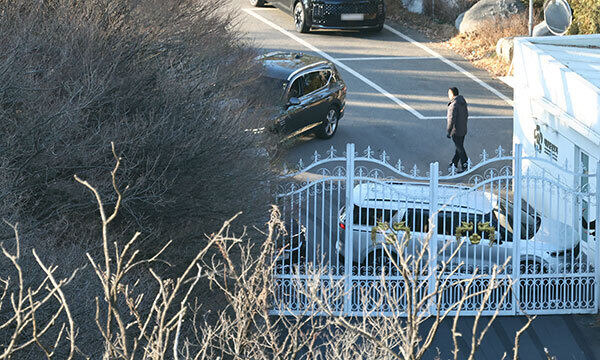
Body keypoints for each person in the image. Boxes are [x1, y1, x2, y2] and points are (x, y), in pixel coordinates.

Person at [446, 87, 469, 171]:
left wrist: (449, 131)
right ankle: (454, 162)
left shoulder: (453, 105)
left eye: (449, 93)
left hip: (456, 130)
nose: (448, 95)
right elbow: (466, 115)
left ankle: (465, 164)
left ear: (452, 94)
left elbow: (451, 119)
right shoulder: (462, 102)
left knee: (460, 148)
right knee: (459, 146)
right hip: (463, 128)